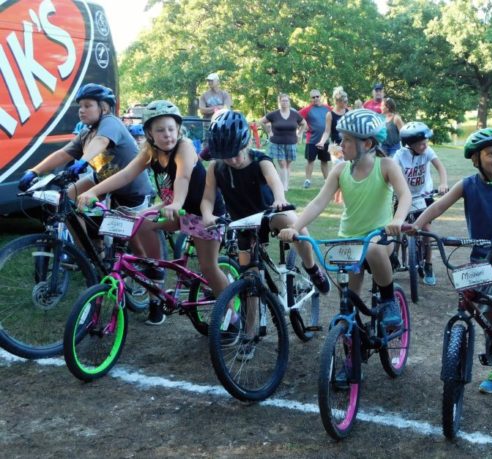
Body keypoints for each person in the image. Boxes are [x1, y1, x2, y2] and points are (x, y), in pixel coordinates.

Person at [412, 127, 492, 395]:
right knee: (486, 309)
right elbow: (438, 206)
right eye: (491, 154)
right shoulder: (468, 185)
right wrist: (416, 226)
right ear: (476, 159)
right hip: (483, 254)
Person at [76, 100, 229, 326]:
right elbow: (126, 174)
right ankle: (155, 268)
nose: (167, 135)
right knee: (141, 223)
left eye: (171, 129)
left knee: (208, 267)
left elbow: (183, 177)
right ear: (149, 133)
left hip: (202, 212)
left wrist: (176, 203)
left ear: (178, 129)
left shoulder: (184, 147)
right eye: (160, 130)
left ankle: (232, 314)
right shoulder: (150, 151)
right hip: (174, 208)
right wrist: (93, 191)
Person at [200, 111, 330, 355]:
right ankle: (250, 333)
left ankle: (312, 268)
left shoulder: (261, 161)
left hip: (269, 214)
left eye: (236, 153)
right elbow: (208, 198)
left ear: (246, 142)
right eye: (226, 155)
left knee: (294, 223)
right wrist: (207, 215)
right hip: (243, 223)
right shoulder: (216, 168)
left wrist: (280, 199)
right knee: (250, 278)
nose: (233, 160)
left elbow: (275, 183)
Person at [279, 109, 411, 328]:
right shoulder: (340, 169)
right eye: (342, 139)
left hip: (380, 236)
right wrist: (295, 226)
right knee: (348, 299)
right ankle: (351, 334)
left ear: (367, 144)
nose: (341, 144)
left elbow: (405, 194)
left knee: (374, 249)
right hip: (349, 239)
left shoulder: (386, 165)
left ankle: (389, 300)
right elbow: (319, 202)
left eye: (347, 140)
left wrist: (397, 220)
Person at [18, 84, 153, 258]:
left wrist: (83, 160)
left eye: (88, 105)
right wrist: (34, 171)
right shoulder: (85, 133)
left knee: (130, 237)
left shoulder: (110, 122)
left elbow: (102, 141)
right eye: (80, 106)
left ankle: (145, 266)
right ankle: (88, 253)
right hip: (103, 180)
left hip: (131, 188)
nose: (82, 110)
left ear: (104, 108)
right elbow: (63, 154)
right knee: (67, 199)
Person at [393, 121, 448, 286]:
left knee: (426, 231)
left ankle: (428, 264)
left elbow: (440, 167)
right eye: (421, 144)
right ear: (409, 145)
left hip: (424, 195)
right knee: (396, 229)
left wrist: (443, 183)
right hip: (405, 197)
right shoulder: (399, 156)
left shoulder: (427, 151)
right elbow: (391, 174)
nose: (425, 146)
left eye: (426, 142)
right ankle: (394, 258)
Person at [260, 93, 307, 191]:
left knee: (288, 164)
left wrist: (300, 133)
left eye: (286, 101)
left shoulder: (294, 114)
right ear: (279, 102)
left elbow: (304, 123)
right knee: (282, 164)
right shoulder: (274, 114)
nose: (284, 102)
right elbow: (262, 121)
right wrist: (269, 132)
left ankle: (285, 184)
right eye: (283, 101)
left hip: (291, 142)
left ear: (289, 102)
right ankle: (283, 186)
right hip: (277, 142)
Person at [299, 89, 332, 189]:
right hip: (311, 140)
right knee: (310, 161)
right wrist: (303, 125)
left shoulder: (327, 108)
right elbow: (296, 117)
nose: (316, 98)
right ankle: (307, 180)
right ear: (310, 98)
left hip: (325, 140)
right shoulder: (307, 109)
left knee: (324, 161)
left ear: (320, 96)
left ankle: (327, 181)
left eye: (317, 96)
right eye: (313, 97)